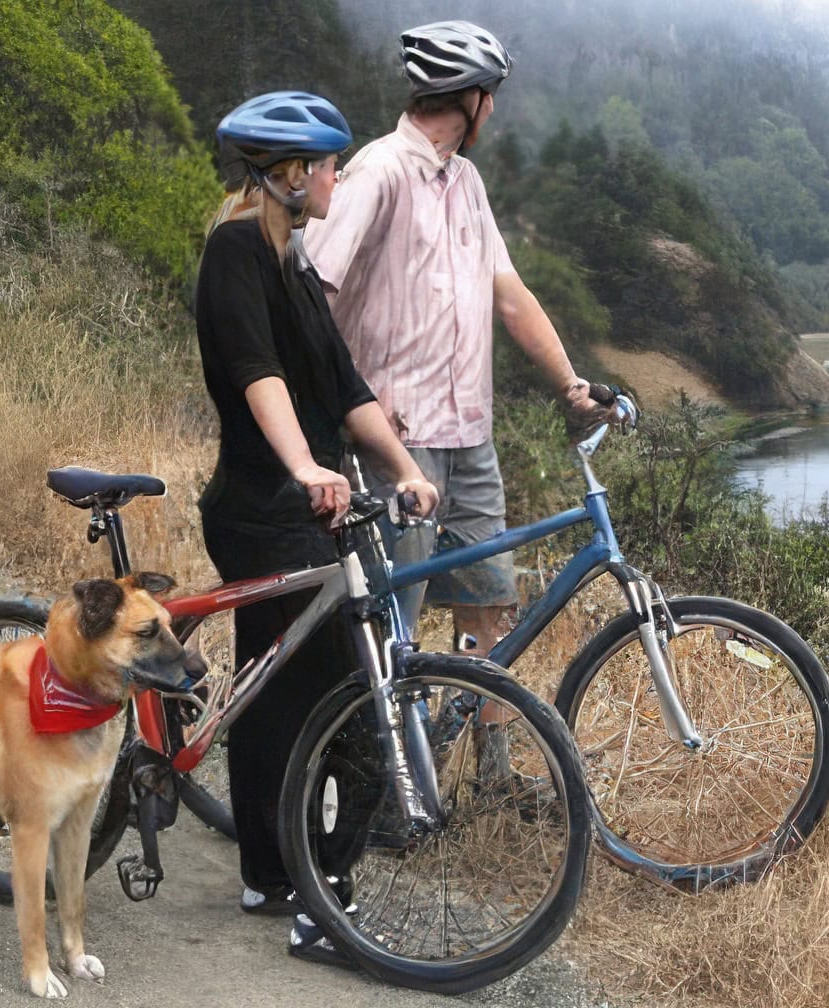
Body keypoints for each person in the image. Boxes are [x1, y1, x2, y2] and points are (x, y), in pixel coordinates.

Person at [194, 90, 439, 963]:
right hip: (266, 508)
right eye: (329, 163)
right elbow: (259, 377)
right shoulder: (234, 253)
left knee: (276, 694)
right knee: (345, 706)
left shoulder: (292, 259)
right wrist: (304, 468)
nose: (338, 174)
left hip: (313, 507)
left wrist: (404, 469)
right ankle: (322, 907)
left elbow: (345, 387)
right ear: (292, 175)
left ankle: (271, 874)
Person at [304, 20, 609, 661]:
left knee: (487, 601)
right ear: (468, 98)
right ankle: (393, 757)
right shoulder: (378, 172)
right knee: (395, 616)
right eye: (489, 94)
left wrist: (571, 386)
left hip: (471, 437)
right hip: (397, 440)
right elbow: (314, 290)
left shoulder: (466, 181)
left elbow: (510, 293)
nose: (493, 108)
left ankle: (488, 755)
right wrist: (337, 408)